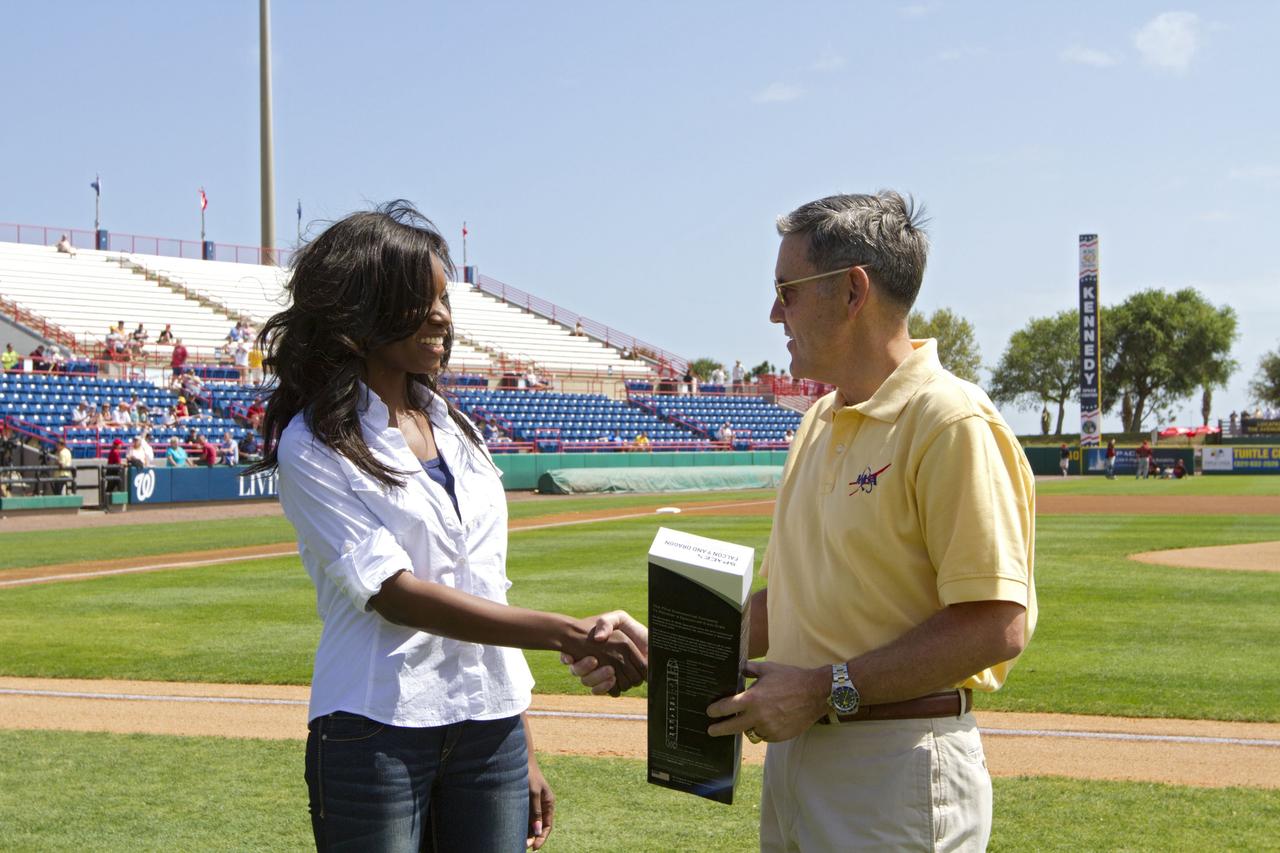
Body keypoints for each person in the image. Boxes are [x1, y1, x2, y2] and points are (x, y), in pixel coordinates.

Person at [566, 191, 1036, 850]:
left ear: (851, 291)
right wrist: (665, 647)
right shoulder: (817, 421)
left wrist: (825, 689)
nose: (772, 311)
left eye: (787, 289)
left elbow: (995, 623)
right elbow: (793, 606)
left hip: (894, 764)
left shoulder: (949, 420)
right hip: (800, 758)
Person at [250, 201, 647, 852]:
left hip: (489, 728)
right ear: (361, 309)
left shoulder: (459, 429)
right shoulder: (314, 443)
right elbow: (393, 594)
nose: (442, 315)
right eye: (420, 299)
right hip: (374, 728)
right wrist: (567, 633)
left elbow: (485, 584)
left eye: (444, 298)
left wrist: (521, 741)